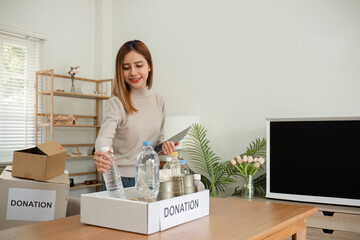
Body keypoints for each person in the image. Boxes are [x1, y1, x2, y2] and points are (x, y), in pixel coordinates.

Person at [93, 40, 178, 188]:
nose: (133, 72)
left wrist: (166, 146)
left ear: (149, 66)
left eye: (139, 66)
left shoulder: (159, 101)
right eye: (126, 68)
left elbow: (157, 143)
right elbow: (104, 138)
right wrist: (102, 154)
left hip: (151, 178)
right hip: (123, 181)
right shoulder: (116, 103)